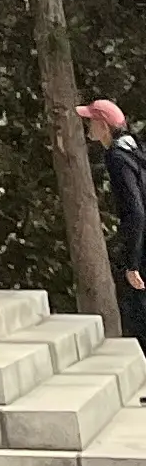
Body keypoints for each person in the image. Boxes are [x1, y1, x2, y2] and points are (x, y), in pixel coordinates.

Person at [80, 100, 146, 350]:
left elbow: (136, 212)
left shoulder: (117, 158)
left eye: (91, 120)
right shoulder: (135, 149)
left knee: (139, 317)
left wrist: (132, 263)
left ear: (103, 125)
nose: (88, 125)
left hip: (141, 248)